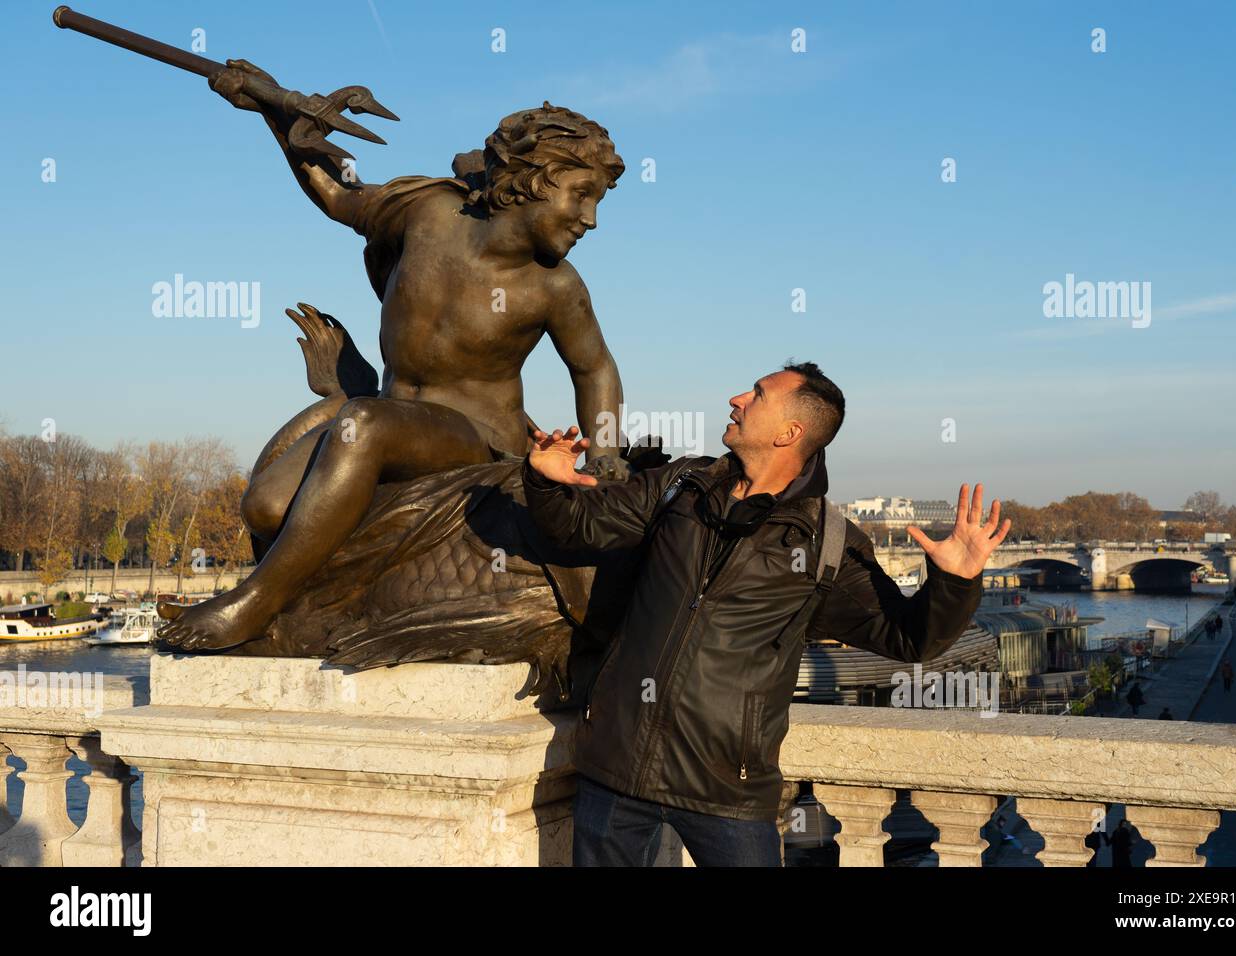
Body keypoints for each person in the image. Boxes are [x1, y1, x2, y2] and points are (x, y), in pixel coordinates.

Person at [157, 89, 630, 651]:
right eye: (581, 196)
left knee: (365, 422)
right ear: (532, 179)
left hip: (472, 438)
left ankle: (255, 604)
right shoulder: (427, 214)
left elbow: (595, 368)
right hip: (389, 412)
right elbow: (337, 196)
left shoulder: (555, 285)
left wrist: (604, 454)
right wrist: (271, 112)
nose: (590, 219)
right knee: (265, 507)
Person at [523, 363, 1009, 866]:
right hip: (616, 767)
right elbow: (577, 527)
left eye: (756, 395)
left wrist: (955, 581)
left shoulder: (827, 543)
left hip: (726, 790)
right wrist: (545, 482)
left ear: (789, 432)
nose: (735, 398)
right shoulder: (680, 485)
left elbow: (911, 639)